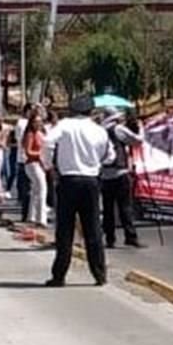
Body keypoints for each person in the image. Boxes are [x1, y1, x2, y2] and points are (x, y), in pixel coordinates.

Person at [43, 95, 115, 287]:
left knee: (65, 230)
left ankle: (59, 275)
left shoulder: (64, 125)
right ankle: (99, 274)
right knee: (93, 229)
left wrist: (49, 165)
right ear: (91, 111)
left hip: (68, 180)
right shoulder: (99, 130)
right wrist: (96, 162)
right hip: (91, 180)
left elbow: (47, 142)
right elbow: (110, 156)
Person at [101, 108, 145, 247]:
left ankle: (110, 238)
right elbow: (137, 141)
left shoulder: (100, 130)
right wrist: (141, 128)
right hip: (120, 172)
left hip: (104, 174)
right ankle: (130, 236)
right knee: (125, 206)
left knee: (108, 209)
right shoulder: (118, 130)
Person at [22, 112, 49, 228]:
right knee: (42, 189)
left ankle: (32, 216)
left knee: (36, 190)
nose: (38, 124)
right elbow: (28, 151)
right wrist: (41, 154)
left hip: (40, 164)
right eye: (36, 122)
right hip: (33, 164)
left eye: (40, 121)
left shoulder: (41, 133)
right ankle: (41, 219)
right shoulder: (30, 134)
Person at [14, 104, 34, 223]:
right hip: (24, 159)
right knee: (26, 189)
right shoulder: (22, 124)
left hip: (31, 160)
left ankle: (31, 214)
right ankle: (26, 214)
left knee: (33, 189)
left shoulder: (32, 125)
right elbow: (21, 140)